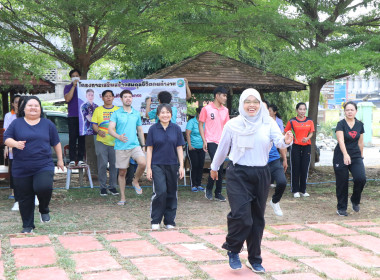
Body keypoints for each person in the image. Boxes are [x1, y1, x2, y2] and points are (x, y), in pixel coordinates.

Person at [210, 89, 293, 273]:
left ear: (260, 103)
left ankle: (254, 259)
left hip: (261, 174)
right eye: (247, 101)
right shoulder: (233, 124)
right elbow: (223, 148)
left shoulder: (268, 122)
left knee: (257, 219)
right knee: (242, 216)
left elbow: (279, 141)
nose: (252, 105)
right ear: (241, 104)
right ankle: (233, 249)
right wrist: (214, 168)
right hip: (238, 173)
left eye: (255, 101)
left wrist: (286, 140)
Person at [4, 96, 64, 233]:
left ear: (40, 108)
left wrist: (60, 160)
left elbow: (56, 142)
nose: (33, 108)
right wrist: (16, 144)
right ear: (23, 108)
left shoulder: (48, 124)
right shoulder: (16, 123)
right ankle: (27, 226)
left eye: (36, 105)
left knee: (44, 187)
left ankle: (44, 209)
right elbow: (6, 139)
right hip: (21, 166)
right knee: (25, 197)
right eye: (30, 105)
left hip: (43, 164)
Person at [146, 104, 185, 230]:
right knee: (160, 191)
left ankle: (169, 221)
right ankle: (156, 220)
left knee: (171, 193)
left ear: (171, 115)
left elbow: (179, 148)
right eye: (162, 112)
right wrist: (148, 168)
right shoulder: (153, 129)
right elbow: (149, 149)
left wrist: (181, 166)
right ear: (158, 115)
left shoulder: (176, 129)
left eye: (168, 112)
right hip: (157, 165)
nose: (165, 115)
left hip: (173, 165)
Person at [108, 89, 146, 205]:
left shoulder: (136, 113)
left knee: (143, 163)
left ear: (132, 98)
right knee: (122, 172)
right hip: (121, 146)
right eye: (125, 97)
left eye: (130, 97)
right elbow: (110, 129)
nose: (128, 98)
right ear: (121, 99)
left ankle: (135, 181)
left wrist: (143, 145)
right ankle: (123, 197)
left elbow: (140, 130)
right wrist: (118, 136)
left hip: (135, 145)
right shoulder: (116, 113)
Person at [333, 101, 366, 216]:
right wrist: (345, 155)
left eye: (352, 110)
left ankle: (355, 200)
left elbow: (360, 142)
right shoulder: (340, 124)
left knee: (361, 178)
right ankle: (341, 208)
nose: (349, 112)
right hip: (341, 155)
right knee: (342, 181)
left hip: (356, 155)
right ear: (344, 112)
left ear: (356, 111)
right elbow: (341, 141)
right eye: (347, 110)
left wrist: (361, 156)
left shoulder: (360, 125)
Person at [199, 86, 230, 201]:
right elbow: (200, 124)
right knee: (216, 164)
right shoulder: (206, 109)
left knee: (220, 165)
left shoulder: (225, 110)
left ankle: (217, 192)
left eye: (226, 96)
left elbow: (227, 127)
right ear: (217, 96)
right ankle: (210, 190)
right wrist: (204, 140)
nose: (225, 98)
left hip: (222, 142)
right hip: (210, 140)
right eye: (224, 95)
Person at [91, 90, 119, 196]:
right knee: (102, 165)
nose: (108, 98)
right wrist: (98, 131)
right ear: (102, 98)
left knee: (114, 165)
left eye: (110, 96)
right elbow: (94, 125)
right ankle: (102, 187)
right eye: (106, 96)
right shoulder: (98, 110)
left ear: (113, 98)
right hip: (101, 141)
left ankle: (112, 187)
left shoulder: (118, 110)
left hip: (115, 142)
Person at [263, 101, 288, 216]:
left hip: (274, 159)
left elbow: (281, 142)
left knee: (282, 182)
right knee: (261, 188)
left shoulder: (273, 124)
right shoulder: (251, 124)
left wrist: (284, 159)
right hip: (260, 162)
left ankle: (275, 201)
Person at [284, 102, 315, 198]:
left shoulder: (310, 121)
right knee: (295, 167)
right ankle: (295, 190)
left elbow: (311, 132)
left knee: (305, 168)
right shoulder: (292, 121)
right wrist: (289, 137)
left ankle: (303, 190)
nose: (302, 111)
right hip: (295, 146)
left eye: (304, 109)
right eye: (300, 109)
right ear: (297, 110)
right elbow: (285, 131)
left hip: (307, 146)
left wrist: (307, 138)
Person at [64, 69, 85, 166]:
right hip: (72, 116)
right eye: (73, 76)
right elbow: (68, 99)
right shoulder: (68, 87)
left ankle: (80, 159)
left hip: (83, 116)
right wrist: (74, 86)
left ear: (80, 77)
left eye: (77, 75)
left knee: (82, 139)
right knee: (72, 138)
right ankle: (72, 159)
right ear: (71, 78)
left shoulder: (84, 87)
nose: (75, 77)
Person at [3, 95, 21, 210]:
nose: (18, 104)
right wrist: (7, 146)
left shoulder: (25, 115)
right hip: (12, 147)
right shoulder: (9, 116)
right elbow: (6, 131)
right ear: (13, 104)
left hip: (24, 148)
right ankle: (14, 192)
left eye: (20, 102)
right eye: (16, 102)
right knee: (14, 171)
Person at [185, 107, 206, 192]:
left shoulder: (205, 122)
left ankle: (199, 184)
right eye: (201, 113)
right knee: (194, 165)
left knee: (201, 166)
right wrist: (189, 145)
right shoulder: (191, 122)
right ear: (198, 113)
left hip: (202, 147)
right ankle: (193, 184)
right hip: (192, 147)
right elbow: (187, 134)